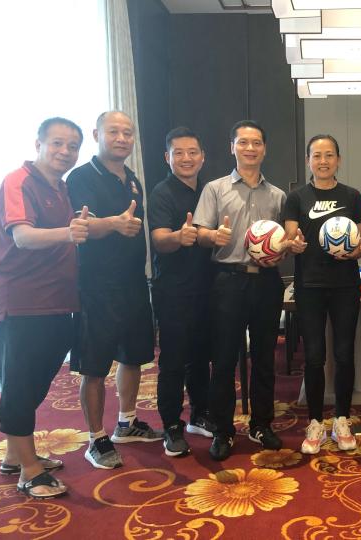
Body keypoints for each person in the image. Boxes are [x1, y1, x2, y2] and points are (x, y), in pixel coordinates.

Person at [0, 117, 89, 498]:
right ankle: (29, 471)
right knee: (19, 384)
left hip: (57, 301)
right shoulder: (18, 181)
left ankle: (15, 454)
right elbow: (23, 236)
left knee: (36, 381)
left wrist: (113, 224)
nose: (65, 152)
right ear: (39, 144)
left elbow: (77, 229)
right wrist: (68, 233)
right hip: (22, 302)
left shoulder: (60, 187)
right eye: (57, 143)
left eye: (72, 146)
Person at [67, 111, 161, 470]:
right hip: (97, 286)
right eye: (114, 132)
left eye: (128, 133)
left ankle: (126, 422)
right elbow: (80, 225)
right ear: (97, 134)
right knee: (94, 366)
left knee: (133, 356)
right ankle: (96, 438)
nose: (122, 138)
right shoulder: (81, 177)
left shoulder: (131, 179)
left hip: (134, 282)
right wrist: (114, 224)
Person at [193, 120, 288, 461]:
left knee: (264, 356)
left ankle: (262, 424)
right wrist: (212, 236)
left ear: (265, 149)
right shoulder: (215, 189)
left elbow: (285, 239)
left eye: (256, 142)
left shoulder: (278, 196)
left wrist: (285, 247)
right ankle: (223, 430)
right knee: (223, 359)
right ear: (231, 147)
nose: (250, 148)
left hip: (267, 282)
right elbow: (199, 232)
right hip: (227, 280)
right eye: (243, 142)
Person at [283, 134, 361, 455]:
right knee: (315, 357)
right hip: (310, 286)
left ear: (338, 160)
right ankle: (316, 422)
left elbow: (360, 240)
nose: (323, 161)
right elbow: (290, 236)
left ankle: (342, 419)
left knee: (344, 354)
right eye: (317, 155)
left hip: (345, 285)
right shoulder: (296, 197)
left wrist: (356, 250)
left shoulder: (352, 195)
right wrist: (293, 244)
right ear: (308, 160)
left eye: (329, 155)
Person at [148, 127, 216, 457]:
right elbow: (158, 239)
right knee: (174, 361)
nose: (186, 158)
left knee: (201, 357)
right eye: (179, 153)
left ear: (202, 157)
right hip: (173, 291)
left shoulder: (209, 190)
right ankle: (172, 425)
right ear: (167, 157)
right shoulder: (162, 192)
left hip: (207, 288)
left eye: (192, 152)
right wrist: (179, 237)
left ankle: (199, 414)